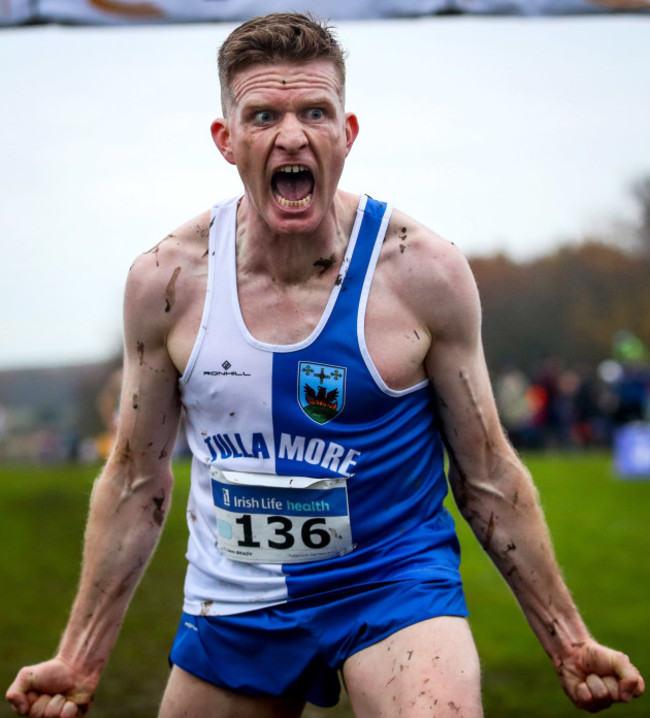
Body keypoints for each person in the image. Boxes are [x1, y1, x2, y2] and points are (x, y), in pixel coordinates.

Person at [6, 13, 645, 718]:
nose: (291, 135)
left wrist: (568, 641)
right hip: (236, 600)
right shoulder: (168, 283)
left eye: (315, 111)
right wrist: (77, 658)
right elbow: (134, 479)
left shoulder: (419, 272)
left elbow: (488, 474)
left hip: (391, 584)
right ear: (226, 140)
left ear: (347, 134)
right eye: (263, 114)